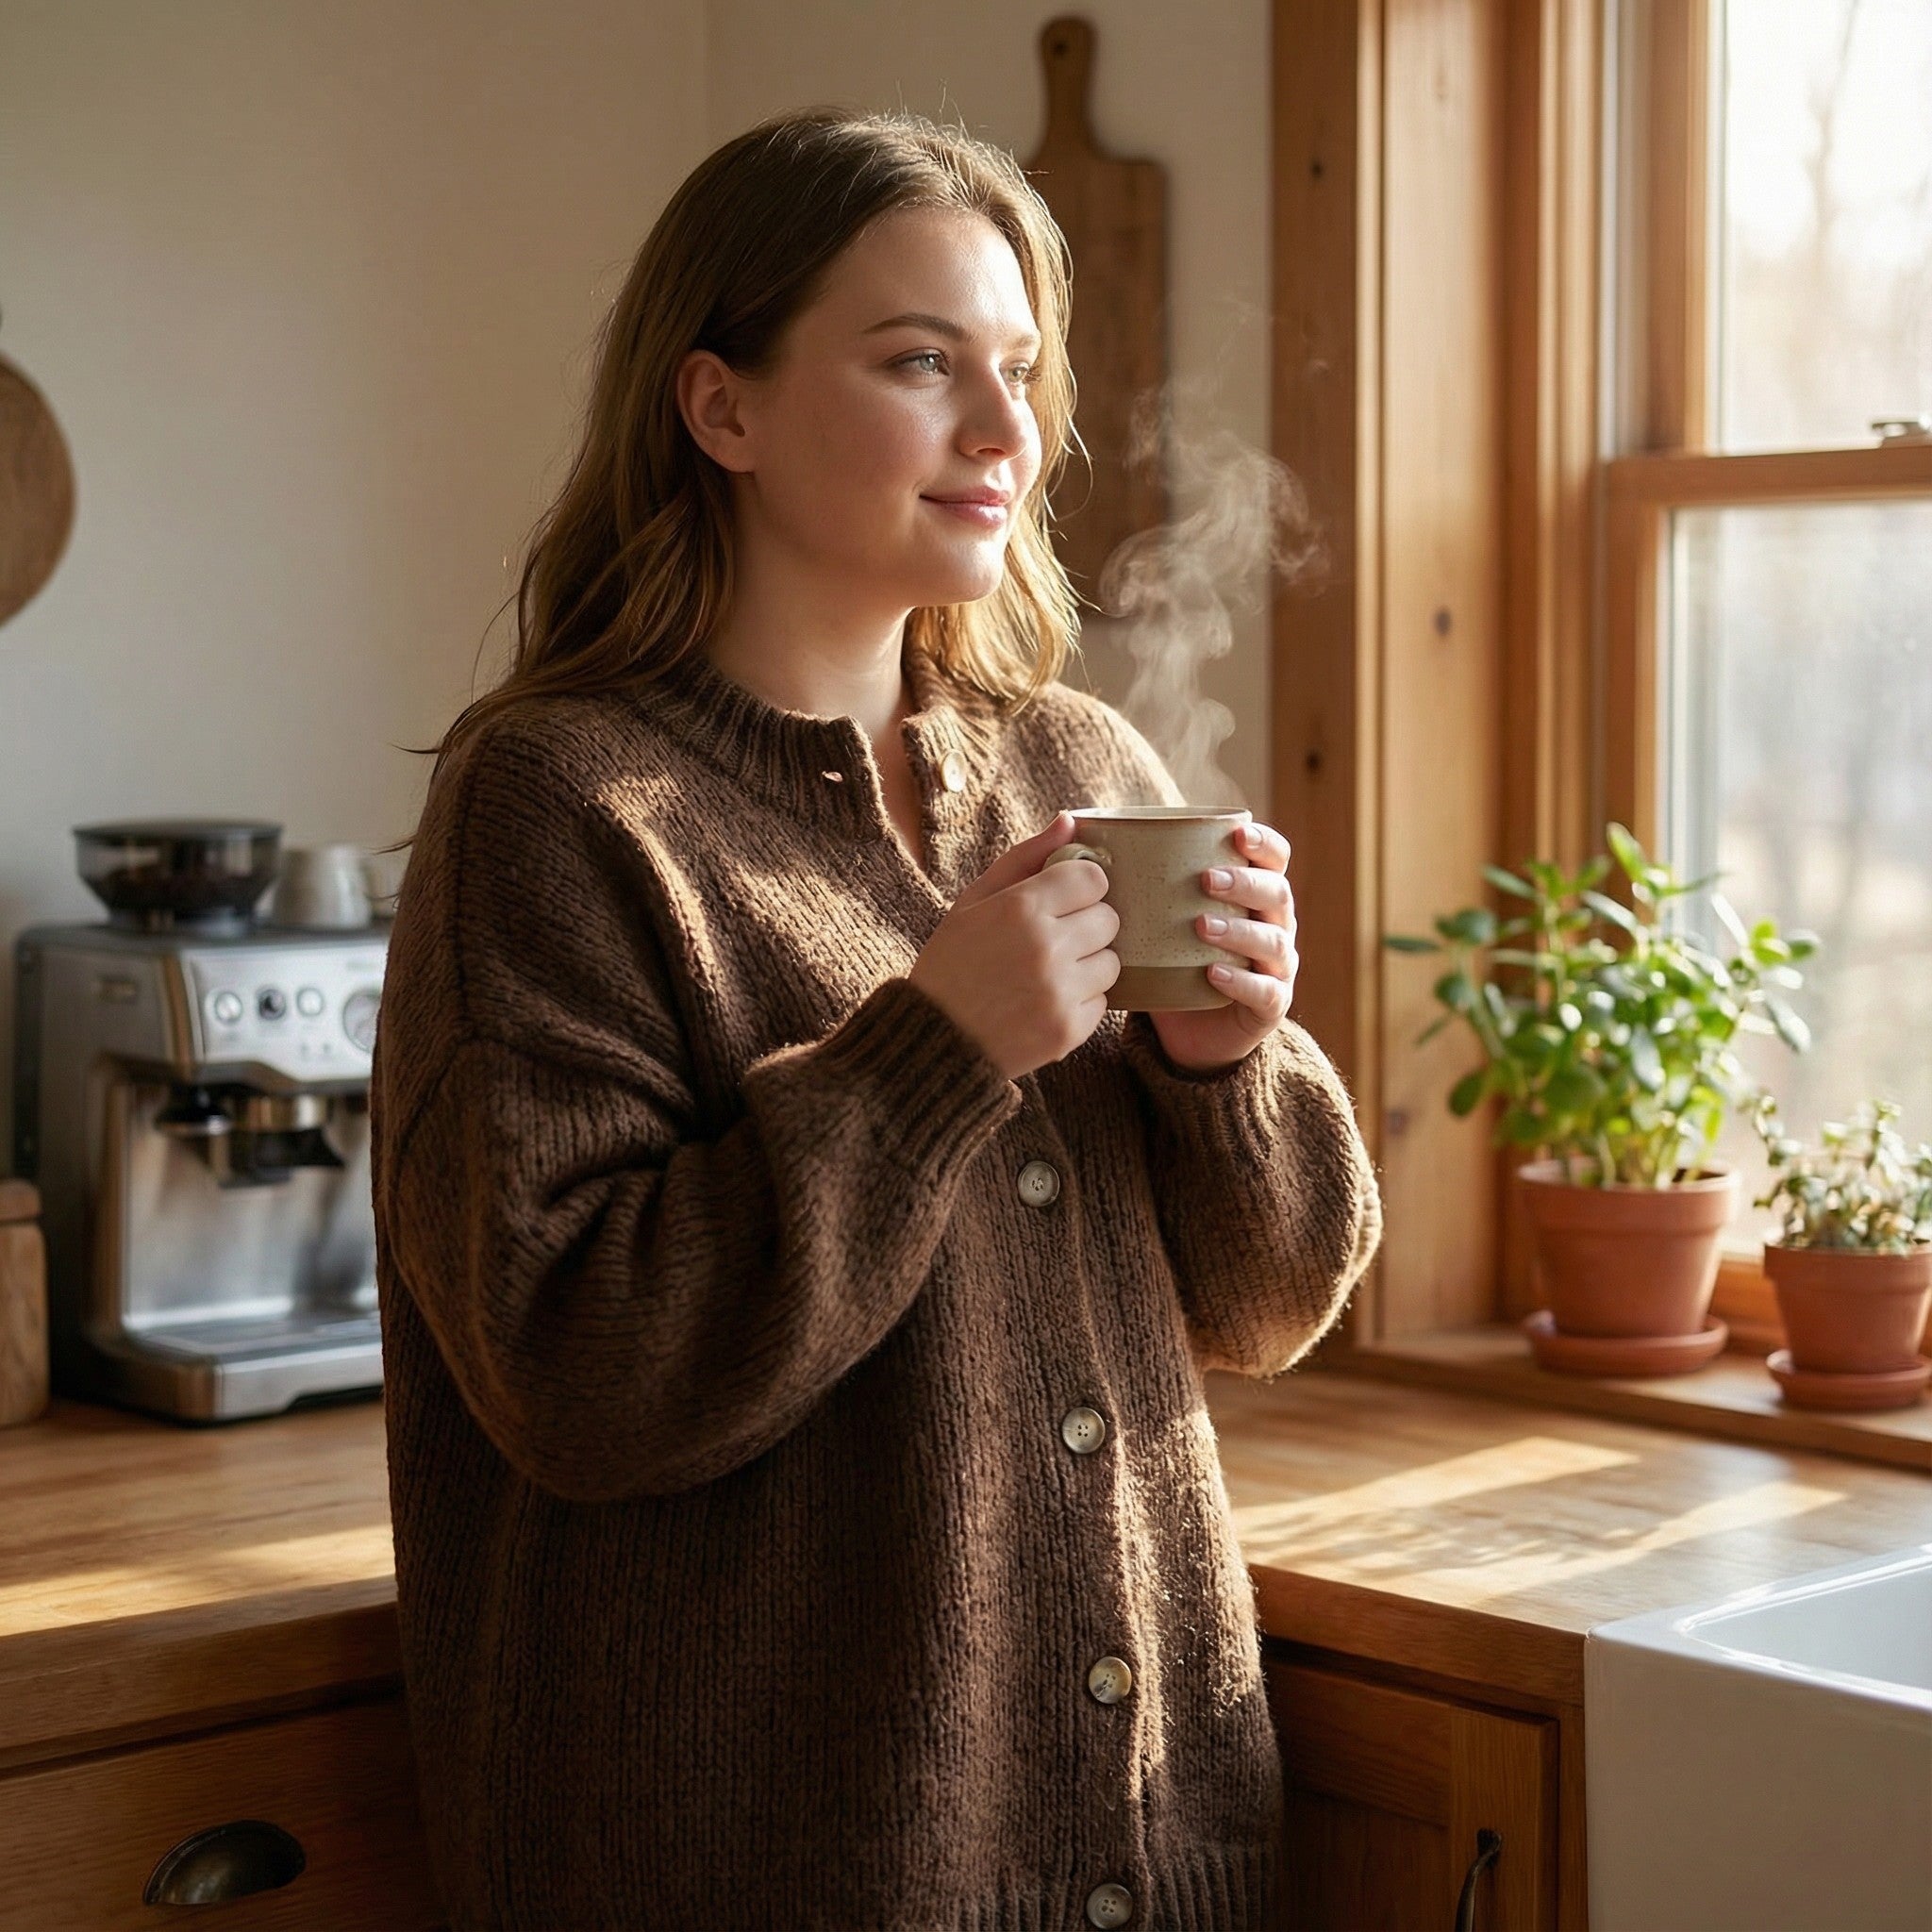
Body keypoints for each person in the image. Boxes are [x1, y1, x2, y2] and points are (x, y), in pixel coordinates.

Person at [371, 106, 1382, 1932]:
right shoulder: (563, 805)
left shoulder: (1076, 765)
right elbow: (578, 1373)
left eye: (1016, 370)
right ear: (721, 408)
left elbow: (1263, 1305)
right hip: (769, 1867)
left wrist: (1231, 1068)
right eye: (920, 364)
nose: (1004, 433)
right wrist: (933, 1054)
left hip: (1146, 1849)